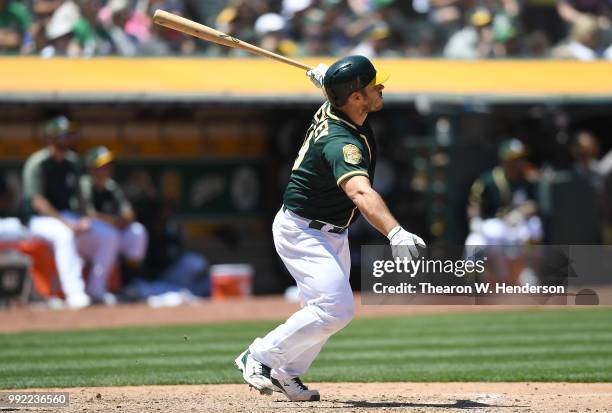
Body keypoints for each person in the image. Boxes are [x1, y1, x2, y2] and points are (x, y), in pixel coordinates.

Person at [234, 55, 425, 402]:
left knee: (319, 310)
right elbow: (360, 191)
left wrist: (325, 79)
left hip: (332, 231)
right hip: (302, 231)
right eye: (373, 85)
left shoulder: (337, 105)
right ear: (354, 97)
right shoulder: (341, 142)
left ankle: (286, 373)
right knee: (336, 309)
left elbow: (332, 91)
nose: (381, 87)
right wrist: (395, 232)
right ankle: (259, 355)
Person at [22, 116, 120, 308]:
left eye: (68, 135)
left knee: (109, 235)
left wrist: (83, 218)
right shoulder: (38, 163)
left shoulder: (73, 162)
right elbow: (37, 201)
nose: (66, 139)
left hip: (67, 216)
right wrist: (66, 222)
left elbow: (80, 196)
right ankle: (74, 294)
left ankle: (97, 289)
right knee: (65, 234)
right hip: (39, 220)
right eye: (62, 135)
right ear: (50, 138)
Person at [80, 146, 148, 286]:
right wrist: (115, 222)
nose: (108, 168)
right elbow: (89, 214)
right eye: (103, 165)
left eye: (109, 165)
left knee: (137, 232)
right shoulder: (84, 184)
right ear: (92, 168)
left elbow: (129, 214)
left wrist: (119, 221)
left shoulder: (111, 186)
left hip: (109, 232)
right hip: (83, 236)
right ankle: (96, 288)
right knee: (110, 235)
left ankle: (130, 282)